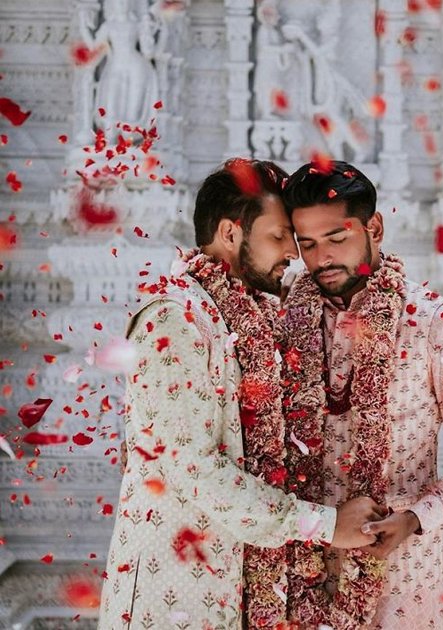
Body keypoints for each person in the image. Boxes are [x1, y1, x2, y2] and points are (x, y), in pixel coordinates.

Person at [98, 159, 383, 630]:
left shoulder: (240, 317)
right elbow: (195, 469)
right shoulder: (175, 319)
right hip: (173, 600)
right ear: (231, 234)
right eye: (277, 237)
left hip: (236, 592)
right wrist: (325, 525)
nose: (292, 254)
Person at [270, 160, 443, 629]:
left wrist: (417, 517)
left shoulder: (435, 324)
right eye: (308, 245)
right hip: (296, 571)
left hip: (400, 577)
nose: (321, 259)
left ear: (373, 227)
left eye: (336, 238)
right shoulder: (282, 317)